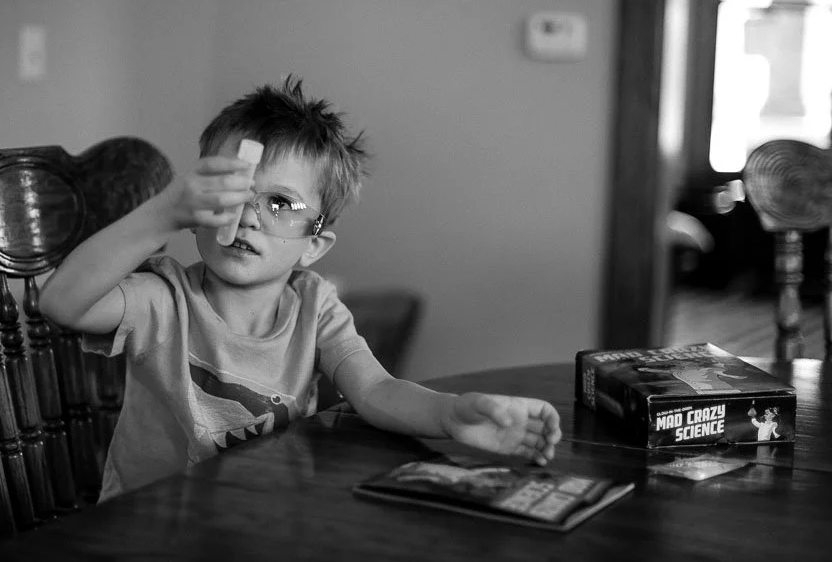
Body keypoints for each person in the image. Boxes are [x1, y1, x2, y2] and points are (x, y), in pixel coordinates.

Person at [40, 76, 562, 500]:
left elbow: (376, 391)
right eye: (235, 191)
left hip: (266, 517)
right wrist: (163, 213)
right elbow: (61, 303)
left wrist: (449, 414)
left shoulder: (316, 307)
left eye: (281, 204)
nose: (249, 217)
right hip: (150, 531)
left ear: (315, 245)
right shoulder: (164, 299)